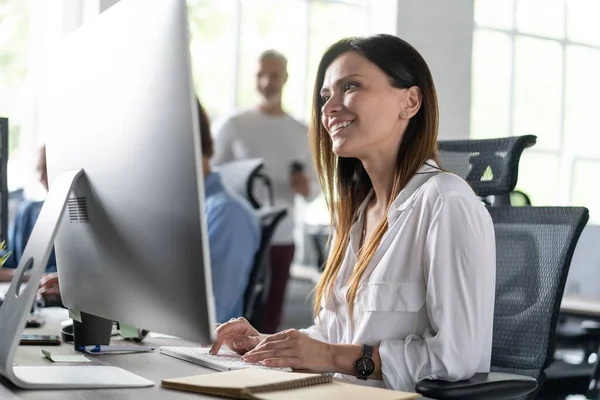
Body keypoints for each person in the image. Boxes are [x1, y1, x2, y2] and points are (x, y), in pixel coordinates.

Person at [209, 34, 496, 392]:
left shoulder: (446, 201)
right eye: (325, 96)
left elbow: (456, 358)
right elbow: (333, 334)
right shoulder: (360, 215)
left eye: (351, 86)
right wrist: (267, 345)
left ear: (409, 101)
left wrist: (328, 356)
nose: (329, 108)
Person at [38, 99, 261, 323]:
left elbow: (214, 315)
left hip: (188, 350)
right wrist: (86, 285)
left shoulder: (229, 215)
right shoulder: (166, 214)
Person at [212, 49, 317, 333]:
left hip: (281, 237)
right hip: (238, 234)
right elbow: (211, 178)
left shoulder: (302, 132)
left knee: (269, 322)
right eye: (260, 74)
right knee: (229, 313)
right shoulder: (234, 125)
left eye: (273, 75)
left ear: (285, 78)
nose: (266, 81)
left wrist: (305, 187)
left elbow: (314, 191)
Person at [0, 146, 57, 284]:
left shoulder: (78, 217)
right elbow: (8, 260)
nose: (41, 176)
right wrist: (29, 277)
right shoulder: (27, 212)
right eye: (39, 169)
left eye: (47, 168)